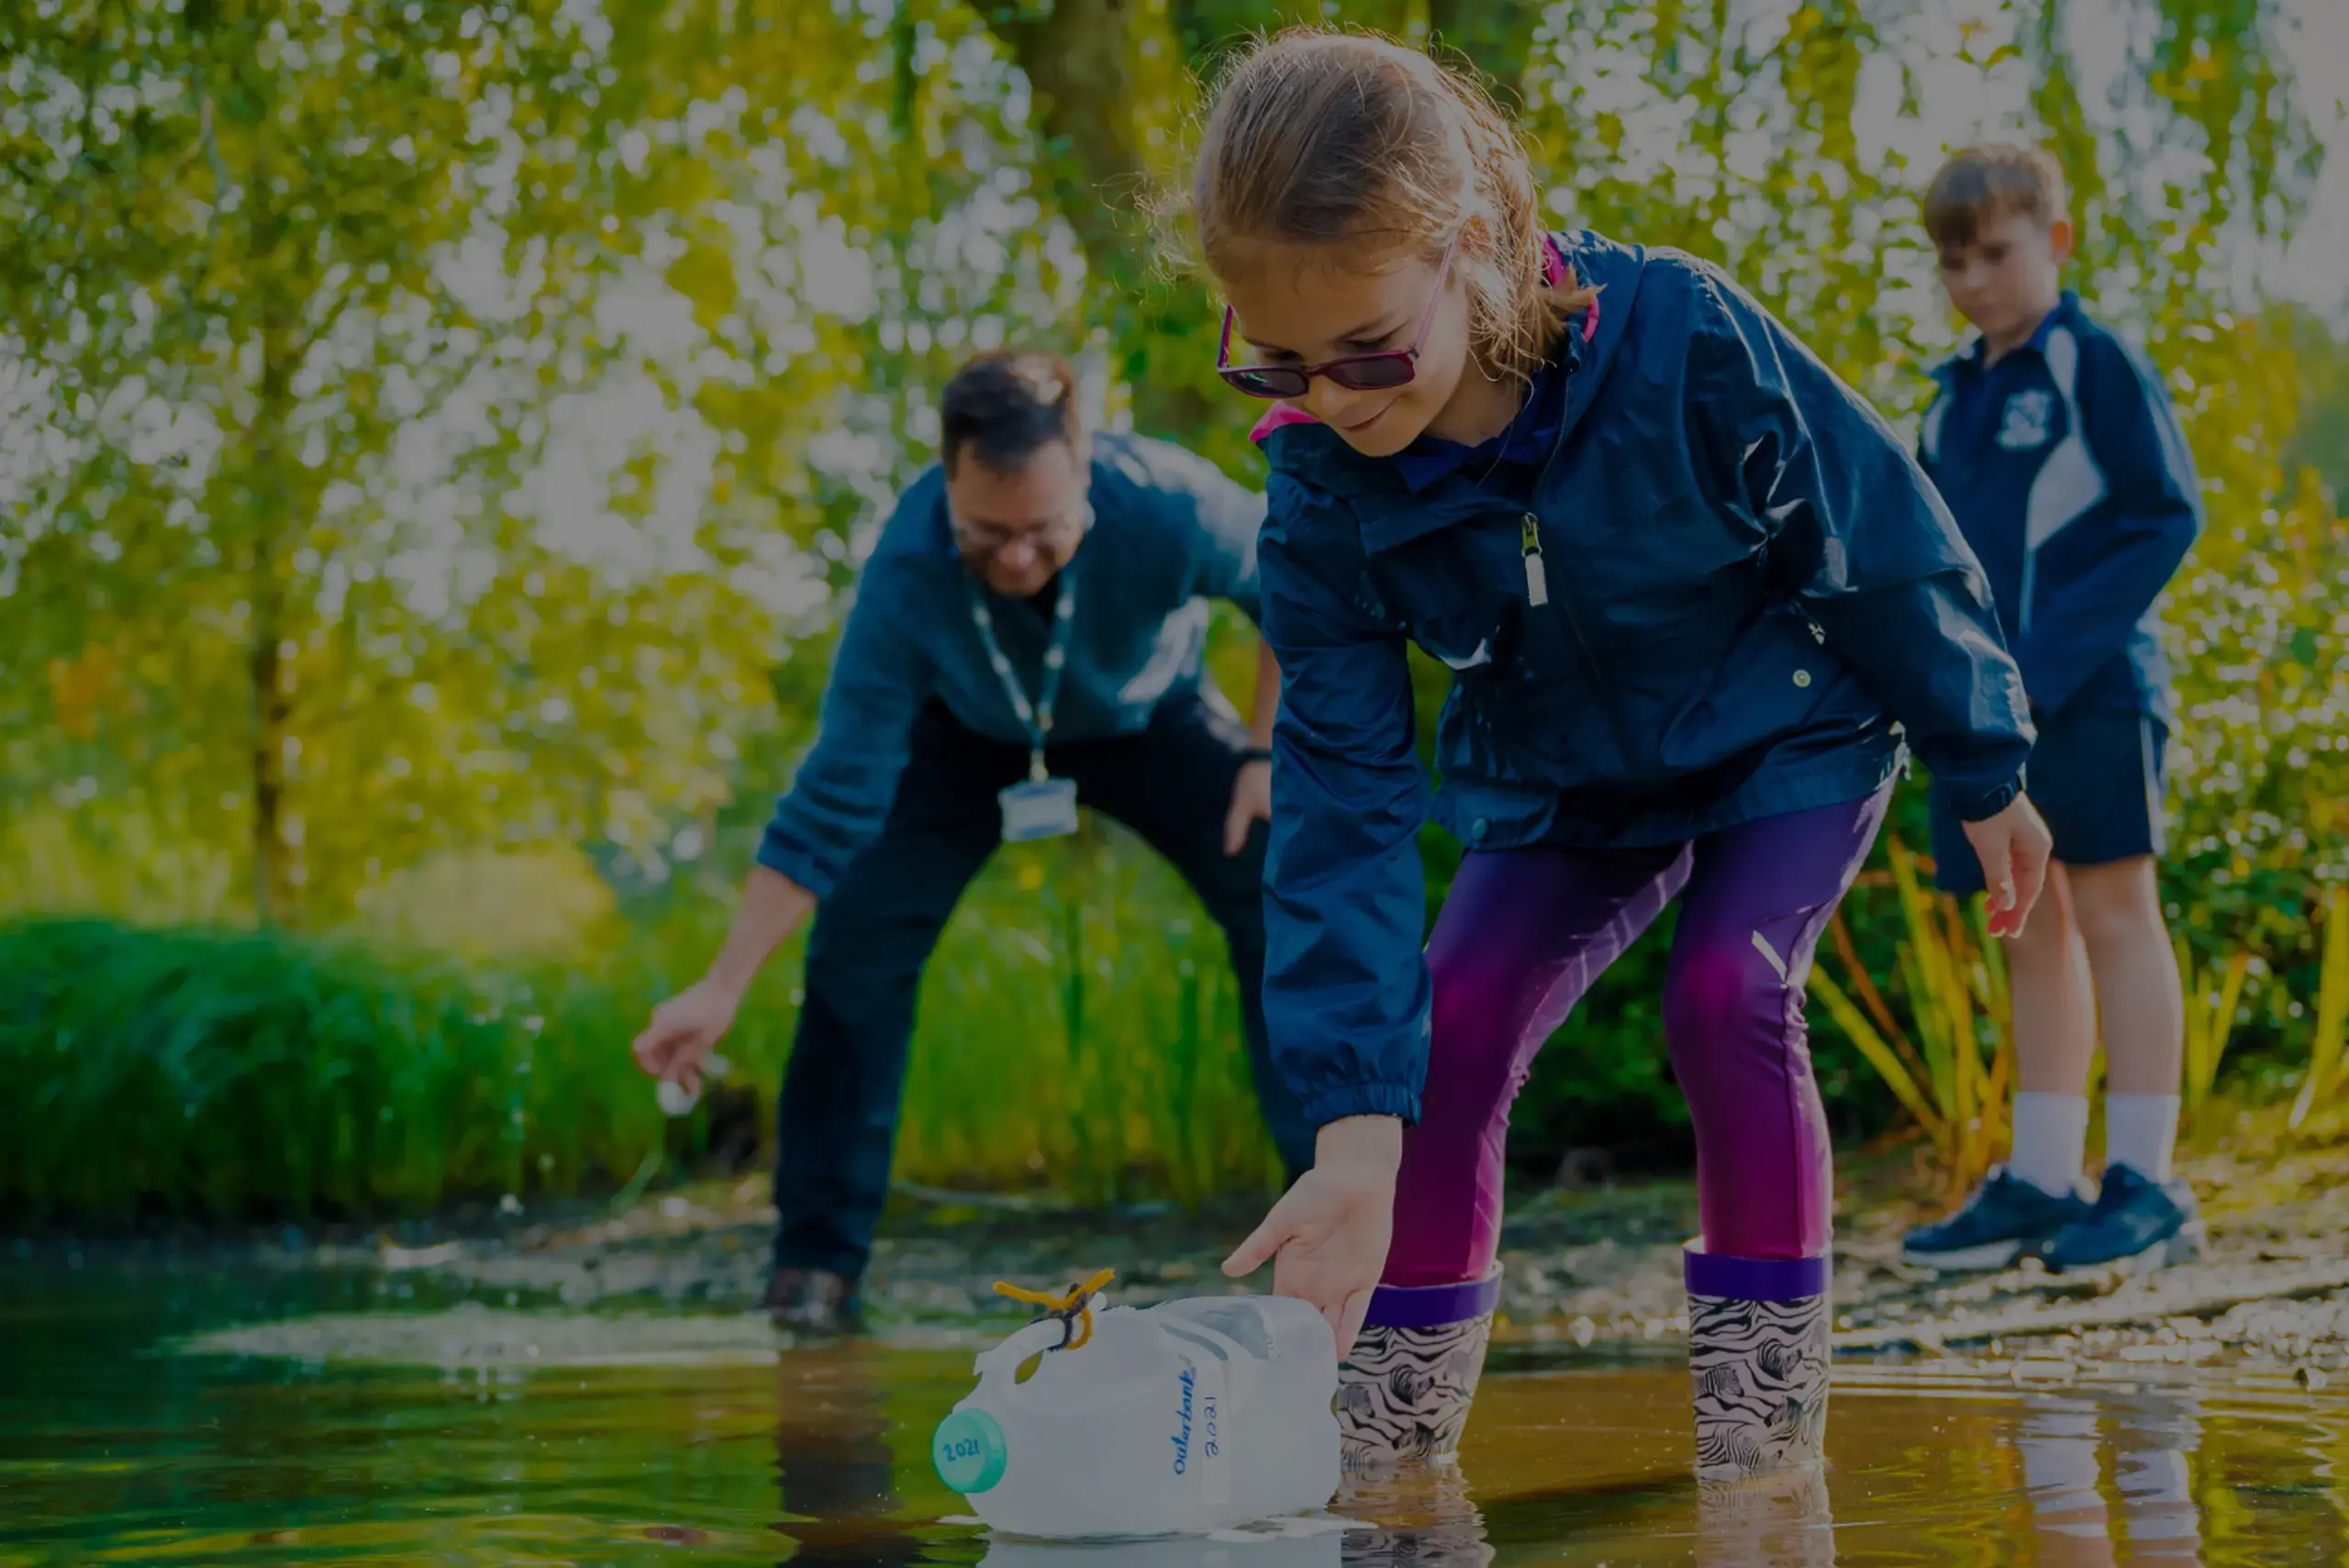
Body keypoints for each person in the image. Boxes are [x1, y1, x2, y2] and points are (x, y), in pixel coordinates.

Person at [1180, 29, 2053, 1478]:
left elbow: (1875, 531)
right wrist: (1349, 1125)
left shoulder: (1680, 334)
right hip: (1561, 782)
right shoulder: (1323, 488)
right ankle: (1398, 1456)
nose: (1329, 398)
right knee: (1445, 1022)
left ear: (1469, 246)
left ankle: (1760, 1454)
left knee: (1728, 992)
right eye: (1274, 360)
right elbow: (1339, 796)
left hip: (1786, 731)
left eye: (1366, 352)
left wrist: (1984, 759)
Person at [630, 350, 1315, 1331]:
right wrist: (723, 983)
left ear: (1084, 467)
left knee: (1281, 877)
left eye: (1043, 531)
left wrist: (1262, 753)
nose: (1017, 558)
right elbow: (833, 794)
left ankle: (1334, 1203)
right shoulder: (909, 570)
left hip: (1148, 713)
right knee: (857, 948)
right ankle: (814, 1269)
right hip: (967, 734)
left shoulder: (1167, 501)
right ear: (948, 480)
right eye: (986, 533)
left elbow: (1293, 580)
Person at [1899, 147, 2204, 1276]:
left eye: (1995, 252)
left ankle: (2144, 1177)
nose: (1972, 278)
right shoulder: (1948, 395)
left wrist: (2037, 667)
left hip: (2091, 694)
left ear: (2056, 243)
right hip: (1982, 719)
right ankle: (2038, 1176)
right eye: (1951, 259)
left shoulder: (2091, 361)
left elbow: (2163, 513)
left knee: (2115, 911)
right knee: (2023, 925)